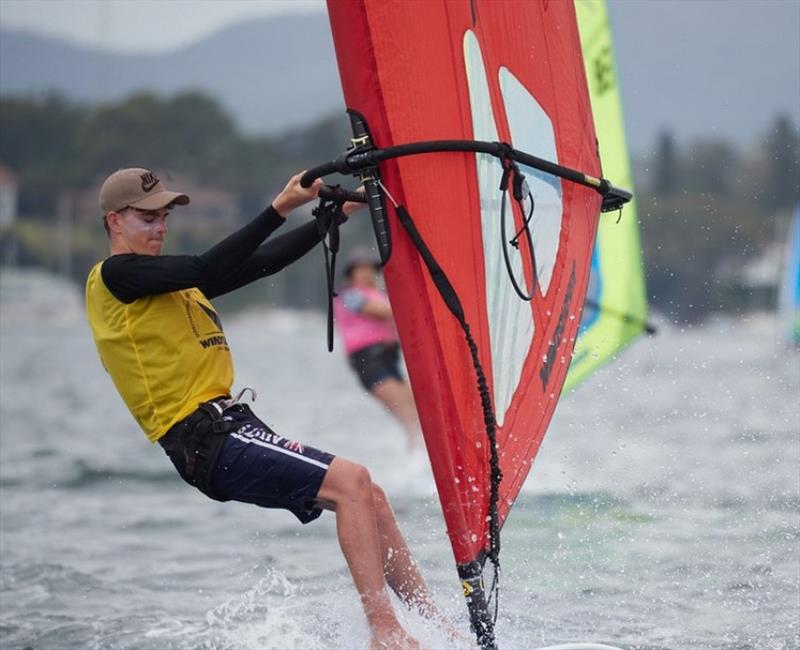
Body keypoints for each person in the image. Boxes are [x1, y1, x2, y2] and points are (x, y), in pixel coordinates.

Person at [85, 167, 446, 650]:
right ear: (114, 221)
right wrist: (280, 207)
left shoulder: (165, 286)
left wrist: (333, 217)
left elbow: (262, 263)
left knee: (370, 497)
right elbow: (207, 267)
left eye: (164, 216)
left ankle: (438, 630)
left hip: (232, 425)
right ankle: (385, 634)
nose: (160, 226)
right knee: (352, 483)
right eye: (147, 218)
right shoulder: (116, 277)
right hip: (204, 438)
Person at [334, 248, 421, 449]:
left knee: (418, 414)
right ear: (351, 274)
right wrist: (412, 306)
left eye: (369, 269)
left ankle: (421, 458)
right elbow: (379, 311)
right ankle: (417, 462)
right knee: (407, 417)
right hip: (369, 361)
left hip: (389, 359)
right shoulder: (349, 295)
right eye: (360, 270)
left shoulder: (379, 294)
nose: (366, 274)